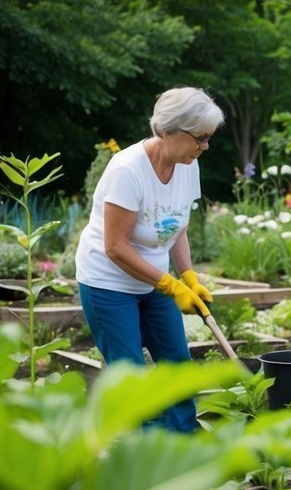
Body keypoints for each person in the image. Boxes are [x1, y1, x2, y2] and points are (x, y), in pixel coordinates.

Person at [75, 87, 223, 433]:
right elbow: (115, 246)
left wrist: (187, 276)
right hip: (108, 283)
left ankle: (184, 441)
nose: (205, 147)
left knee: (177, 366)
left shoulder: (188, 165)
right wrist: (168, 284)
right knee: (129, 375)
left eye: (209, 139)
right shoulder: (128, 170)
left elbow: (177, 228)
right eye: (200, 138)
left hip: (155, 280)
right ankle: (139, 452)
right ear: (169, 130)